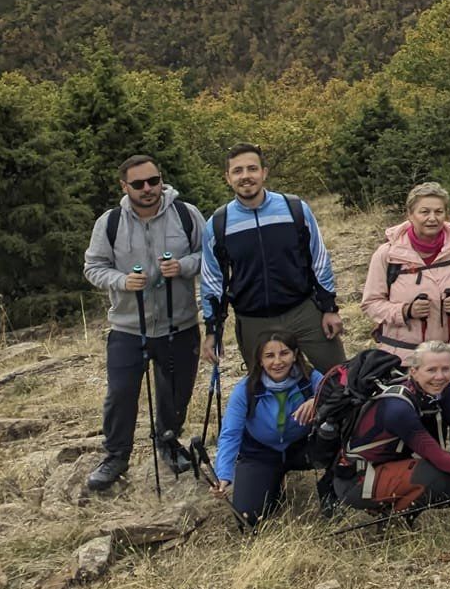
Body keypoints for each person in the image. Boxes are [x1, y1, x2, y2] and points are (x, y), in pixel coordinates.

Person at [82, 154, 210, 492]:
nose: (148, 188)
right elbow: (93, 266)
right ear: (124, 186)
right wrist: (122, 281)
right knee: (121, 394)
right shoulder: (109, 223)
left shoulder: (187, 214)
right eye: (138, 184)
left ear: (160, 179)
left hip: (179, 324)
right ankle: (116, 455)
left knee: (176, 391)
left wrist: (182, 266)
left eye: (153, 181)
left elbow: (208, 255)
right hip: (128, 326)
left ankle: (167, 441)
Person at [201, 145, 343, 376]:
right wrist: (212, 331)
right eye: (237, 171)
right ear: (228, 178)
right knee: (267, 391)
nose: (245, 176)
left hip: (304, 312)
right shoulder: (218, 224)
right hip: (253, 321)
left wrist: (329, 308)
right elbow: (212, 282)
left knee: (337, 379)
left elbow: (319, 260)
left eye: (252, 169)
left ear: (264, 172)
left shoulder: (295, 209)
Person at [336, 340, 450, 512]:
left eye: (445, 369)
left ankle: (401, 501)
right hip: (358, 479)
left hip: (387, 464)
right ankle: (394, 519)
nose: (439, 376)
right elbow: (439, 458)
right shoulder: (398, 407)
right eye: (431, 370)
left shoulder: (439, 390)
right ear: (414, 371)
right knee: (434, 476)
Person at [361, 183, 450, 369]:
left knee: (446, 395)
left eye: (438, 212)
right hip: (404, 353)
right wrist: (405, 311)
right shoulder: (388, 254)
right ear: (410, 214)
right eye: (424, 212)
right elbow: (371, 303)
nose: (432, 218)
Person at [212, 333, 323, 527]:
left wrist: (317, 401)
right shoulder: (245, 389)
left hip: (303, 447)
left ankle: (333, 495)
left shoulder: (310, 378)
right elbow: (230, 434)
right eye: (269, 356)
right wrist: (223, 474)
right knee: (247, 518)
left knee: (334, 450)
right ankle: (273, 482)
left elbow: (338, 394)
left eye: (284, 353)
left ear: (296, 354)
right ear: (260, 361)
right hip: (260, 453)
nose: (278, 362)